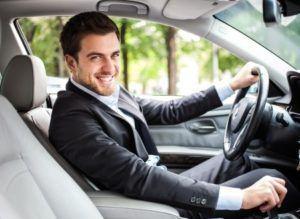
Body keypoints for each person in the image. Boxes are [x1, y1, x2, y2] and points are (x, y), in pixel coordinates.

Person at [49, 11, 299, 218]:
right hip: (149, 206)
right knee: (272, 180)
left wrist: (232, 85)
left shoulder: (109, 90)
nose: (110, 68)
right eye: (96, 58)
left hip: (157, 182)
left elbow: (169, 111)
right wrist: (241, 198)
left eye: (114, 55)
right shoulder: (71, 119)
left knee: (236, 160)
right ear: (72, 63)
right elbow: (137, 177)